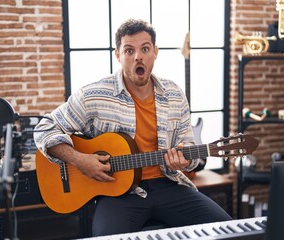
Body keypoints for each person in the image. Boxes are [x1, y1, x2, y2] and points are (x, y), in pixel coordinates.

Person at [34, 19, 232, 237]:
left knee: (226, 231)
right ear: (118, 55)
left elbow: (190, 151)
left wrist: (185, 160)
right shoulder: (93, 95)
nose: (138, 56)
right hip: (118, 195)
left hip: (169, 186)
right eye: (129, 50)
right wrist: (79, 160)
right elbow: (44, 129)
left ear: (155, 52)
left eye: (145, 49)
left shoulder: (174, 94)